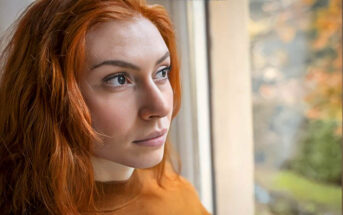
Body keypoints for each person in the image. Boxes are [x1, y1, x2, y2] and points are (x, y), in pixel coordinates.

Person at [0, 0, 211, 214]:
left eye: (162, 72)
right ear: (51, 94)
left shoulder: (176, 196)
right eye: (119, 79)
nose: (161, 106)